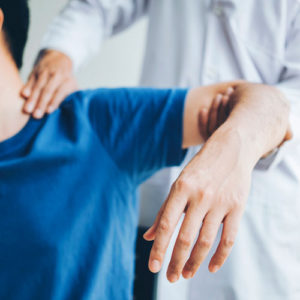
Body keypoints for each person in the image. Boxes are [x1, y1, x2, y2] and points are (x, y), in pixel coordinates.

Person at [0, 1, 292, 299]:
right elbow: (96, 7)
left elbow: (271, 104)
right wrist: (59, 52)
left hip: (260, 231)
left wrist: (232, 148)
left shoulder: (99, 124)